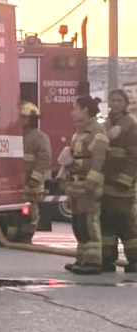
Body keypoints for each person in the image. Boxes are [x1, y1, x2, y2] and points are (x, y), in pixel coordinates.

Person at [60, 94, 108, 275]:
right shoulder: (79, 132)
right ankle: (81, 259)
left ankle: (93, 261)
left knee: (89, 222)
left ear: (86, 110)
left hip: (88, 186)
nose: (72, 113)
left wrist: (90, 183)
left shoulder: (97, 131)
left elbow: (98, 160)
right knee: (78, 223)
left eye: (75, 108)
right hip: (76, 185)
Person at [100, 88, 137, 272]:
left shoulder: (131, 126)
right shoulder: (106, 125)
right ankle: (107, 258)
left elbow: (134, 157)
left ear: (125, 105)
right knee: (106, 222)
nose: (115, 104)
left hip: (122, 185)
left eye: (119, 101)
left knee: (126, 223)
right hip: (106, 182)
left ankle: (135, 259)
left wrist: (126, 179)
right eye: (112, 100)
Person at [19, 102, 51, 243]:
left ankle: (26, 236)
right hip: (17, 183)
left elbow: (44, 160)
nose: (21, 120)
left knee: (30, 211)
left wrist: (34, 179)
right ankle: (13, 235)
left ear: (32, 119)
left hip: (32, 184)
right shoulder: (14, 135)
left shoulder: (40, 138)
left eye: (24, 117)